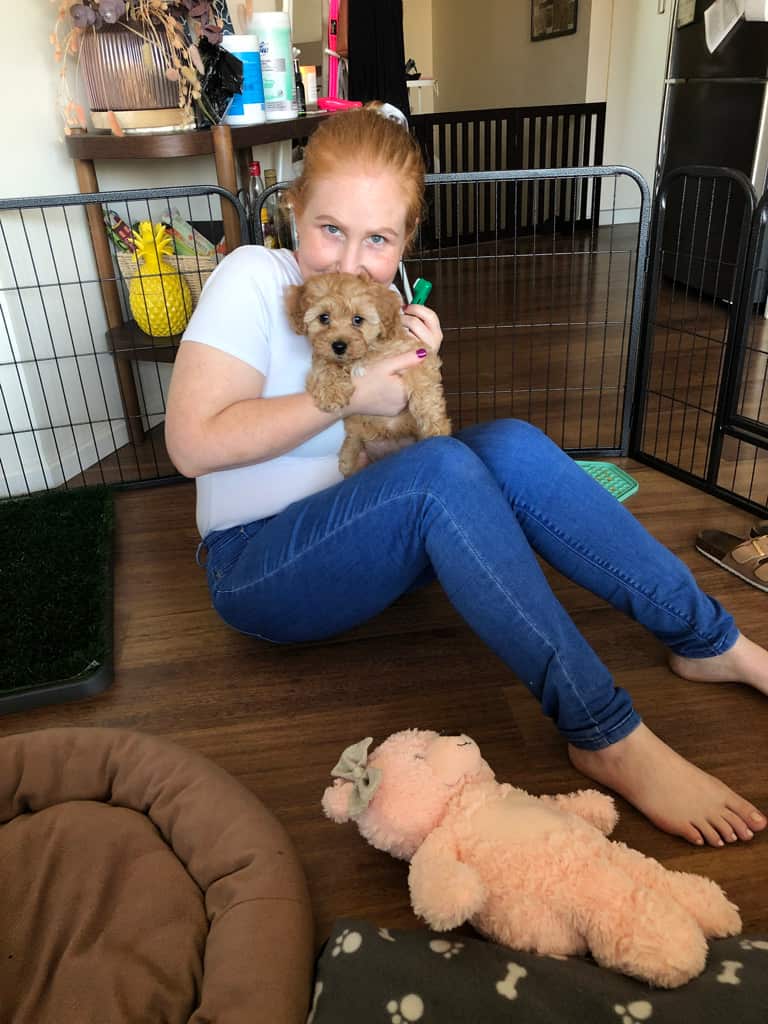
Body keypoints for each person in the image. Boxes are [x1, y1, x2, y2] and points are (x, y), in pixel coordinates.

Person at [165, 106, 768, 849]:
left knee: (510, 445)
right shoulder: (254, 277)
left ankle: (710, 641)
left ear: (405, 241)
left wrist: (413, 370)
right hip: (257, 566)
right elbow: (190, 445)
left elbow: (399, 438)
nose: (351, 262)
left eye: (378, 239)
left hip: (356, 528)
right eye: (330, 229)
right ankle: (603, 732)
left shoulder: (386, 304)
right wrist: (356, 392)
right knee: (443, 472)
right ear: (293, 210)